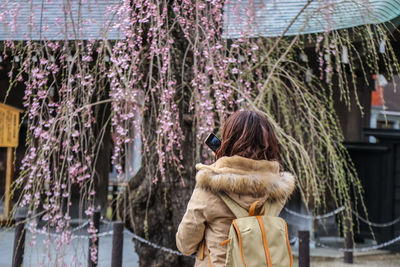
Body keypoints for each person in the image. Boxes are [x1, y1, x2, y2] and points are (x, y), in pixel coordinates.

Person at [176, 110, 295, 266]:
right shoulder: (278, 189)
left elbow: (186, 244)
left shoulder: (210, 186)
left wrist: (218, 165)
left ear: (228, 141)